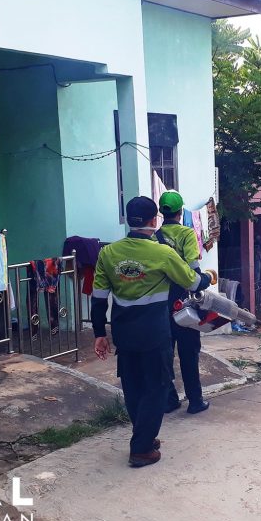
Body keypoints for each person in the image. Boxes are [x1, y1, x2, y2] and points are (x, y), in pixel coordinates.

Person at [91, 196, 214, 468]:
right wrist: (208, 277)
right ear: (153, 221)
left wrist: (99, 333)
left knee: (133, 385)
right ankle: (141, 448)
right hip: (154, 333)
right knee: (156, 386)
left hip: (123, 332)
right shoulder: (163, 253)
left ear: (128, 219)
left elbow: (98, 297)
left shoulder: (108, 253)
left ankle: (143, 435)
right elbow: (193, 282)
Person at [156, 190, 210, 415]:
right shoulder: (187, 234)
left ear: (161, 212)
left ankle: (169, 400)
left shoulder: (154, 238)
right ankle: (195, 401)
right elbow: (193, 271)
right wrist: (205, 279)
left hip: (161, 304)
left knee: (164, 354)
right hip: (184, 303)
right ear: (180, 212)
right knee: (189, 353)